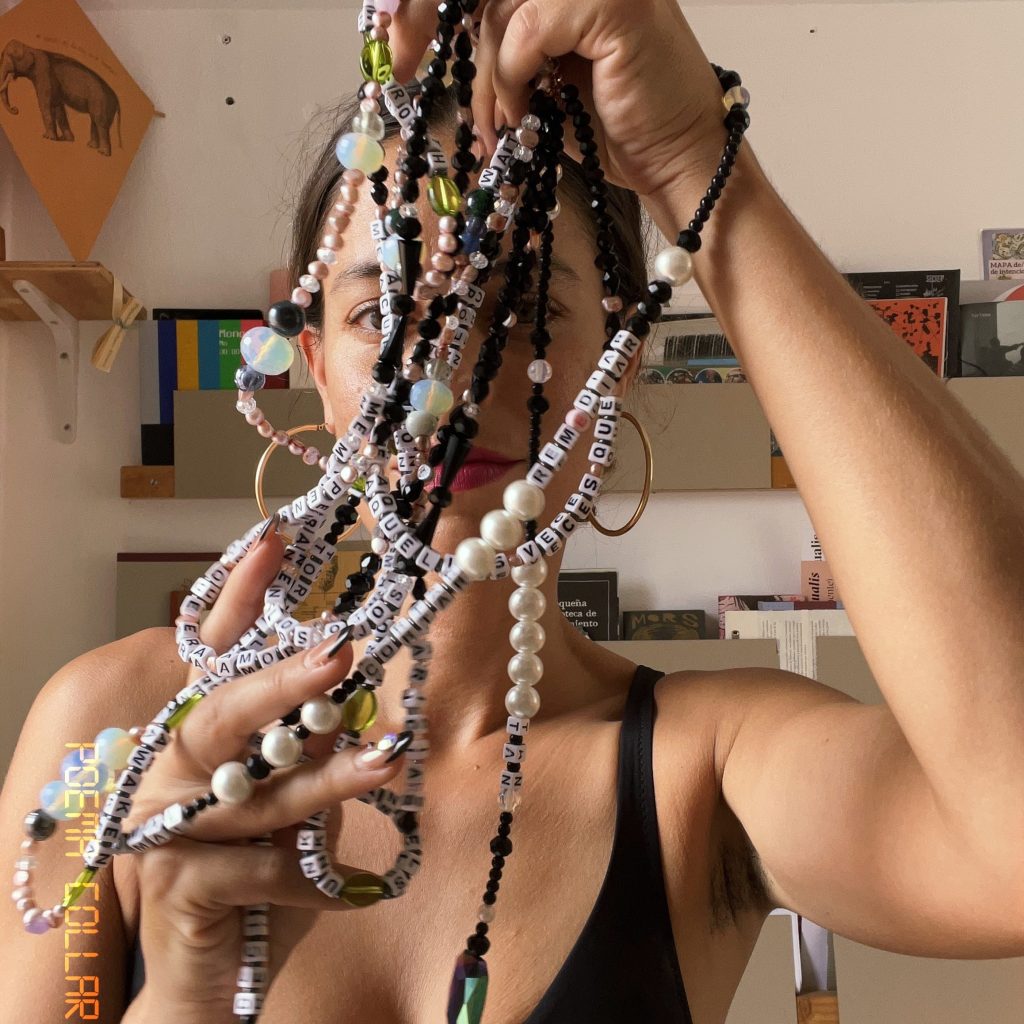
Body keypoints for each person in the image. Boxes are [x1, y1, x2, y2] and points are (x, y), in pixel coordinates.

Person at [3, 1, 1024, 1021]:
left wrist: (693, 163)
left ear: (619, 360)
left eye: (521, 306)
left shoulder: (705, 772)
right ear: (313, 366)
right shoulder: (109, 733)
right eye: (380, 312)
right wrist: (182, 982)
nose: (442, 380)